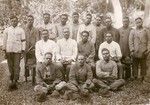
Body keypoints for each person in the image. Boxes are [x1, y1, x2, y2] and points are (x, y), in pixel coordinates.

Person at [3, 16, 26, 90]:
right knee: (10, 65)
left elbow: (23, 41)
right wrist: (4, 51)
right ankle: (11, 79)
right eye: (12, 21)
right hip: (9, 50)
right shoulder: (7, 30)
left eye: (15, 21)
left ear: (17, 21)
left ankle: (16, 80)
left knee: (16, 65)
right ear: (10, 21)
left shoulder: (21, 30)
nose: (14, 22)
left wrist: (22, 50)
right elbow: (4, 41)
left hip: (17, 50)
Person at [24, 15, 40, 82]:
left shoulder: (36, 29)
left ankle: (34, 77)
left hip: (33, 48)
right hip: (25, 48)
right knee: (25, 62)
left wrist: (35, 47)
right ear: (27, 20)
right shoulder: (23, 29)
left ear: (33, 21)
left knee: (34, 62)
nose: (30, 21)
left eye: (31, 20)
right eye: (29, 20)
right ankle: (26, 77)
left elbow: (37, 39)